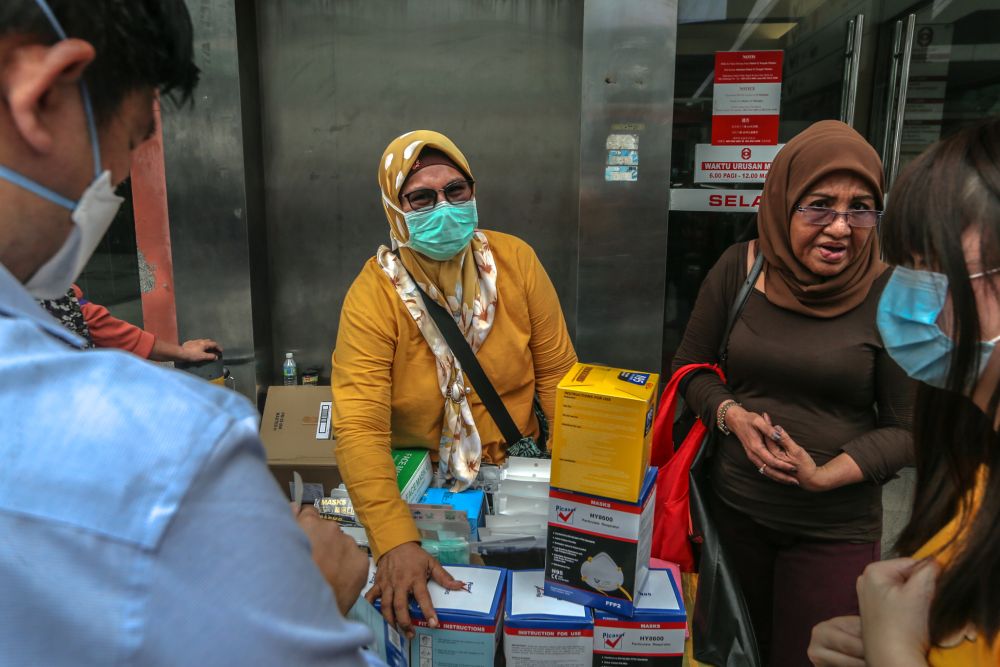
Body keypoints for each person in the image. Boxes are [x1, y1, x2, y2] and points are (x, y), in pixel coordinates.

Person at [0, 2, 380, 664]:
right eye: (127, 141)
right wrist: (309, 595)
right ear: (42, 93)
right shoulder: (166, 455)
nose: (116, 179)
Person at [671, 120, 915, 666]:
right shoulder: (739, 267)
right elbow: (689, 370)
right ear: (782, 203)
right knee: (733, 654)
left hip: (834, 529)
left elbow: (909, 429)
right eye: (819, 206)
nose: (840, 228)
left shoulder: (894, 293)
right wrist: (730, 414)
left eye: (861, 208)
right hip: (732, 515)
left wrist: (827, 474)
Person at [332, 130, 577, 635]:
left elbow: (558, 376)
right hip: (429, 496)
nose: (443, 206)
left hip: (520, 480)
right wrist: (396, 540)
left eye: (456, 191)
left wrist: (580, 487)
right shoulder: (374, 295)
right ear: (394, 209)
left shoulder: (516, 262)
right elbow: (359, 427)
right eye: (421, 197)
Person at [808, 119, 1000, 666]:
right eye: (907, 266)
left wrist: (894, 651)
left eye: (929, 268)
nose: (907, 293)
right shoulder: (973, 459)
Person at [39, 283, 221, 362]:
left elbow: (103, 327)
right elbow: (101, 327)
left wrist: (182, 353)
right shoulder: (47, 289)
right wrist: (182, 353)